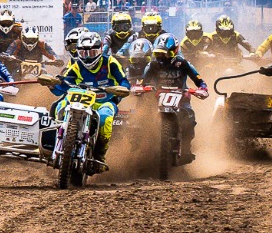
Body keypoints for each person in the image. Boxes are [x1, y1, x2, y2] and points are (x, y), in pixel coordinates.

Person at [47, 31, 130, 170]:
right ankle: (56, 142)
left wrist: (121, 89)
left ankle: (99, 155)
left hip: (105, 101)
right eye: (84, 53)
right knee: (60, 105)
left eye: (91, 53)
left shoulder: (109, 62)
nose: (87, 57)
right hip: (81, 99)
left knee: (105, 119)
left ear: (100, 50)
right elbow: (64, 85)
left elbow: (124, 81)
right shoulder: (77, 65)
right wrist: (53, 84)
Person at [137, 34, 208, 163]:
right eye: (158, 53)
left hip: (181, 97)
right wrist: (140, 88)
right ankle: (142, 148)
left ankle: (186, 148)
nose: (162, 57)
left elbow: (199, 79)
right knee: (142, 116)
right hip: (158, 97)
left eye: (166, 53)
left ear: (175, 50)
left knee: (189, 117)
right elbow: (142, 81)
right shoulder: (153, 64)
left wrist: (202, 88)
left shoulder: (183, 63)